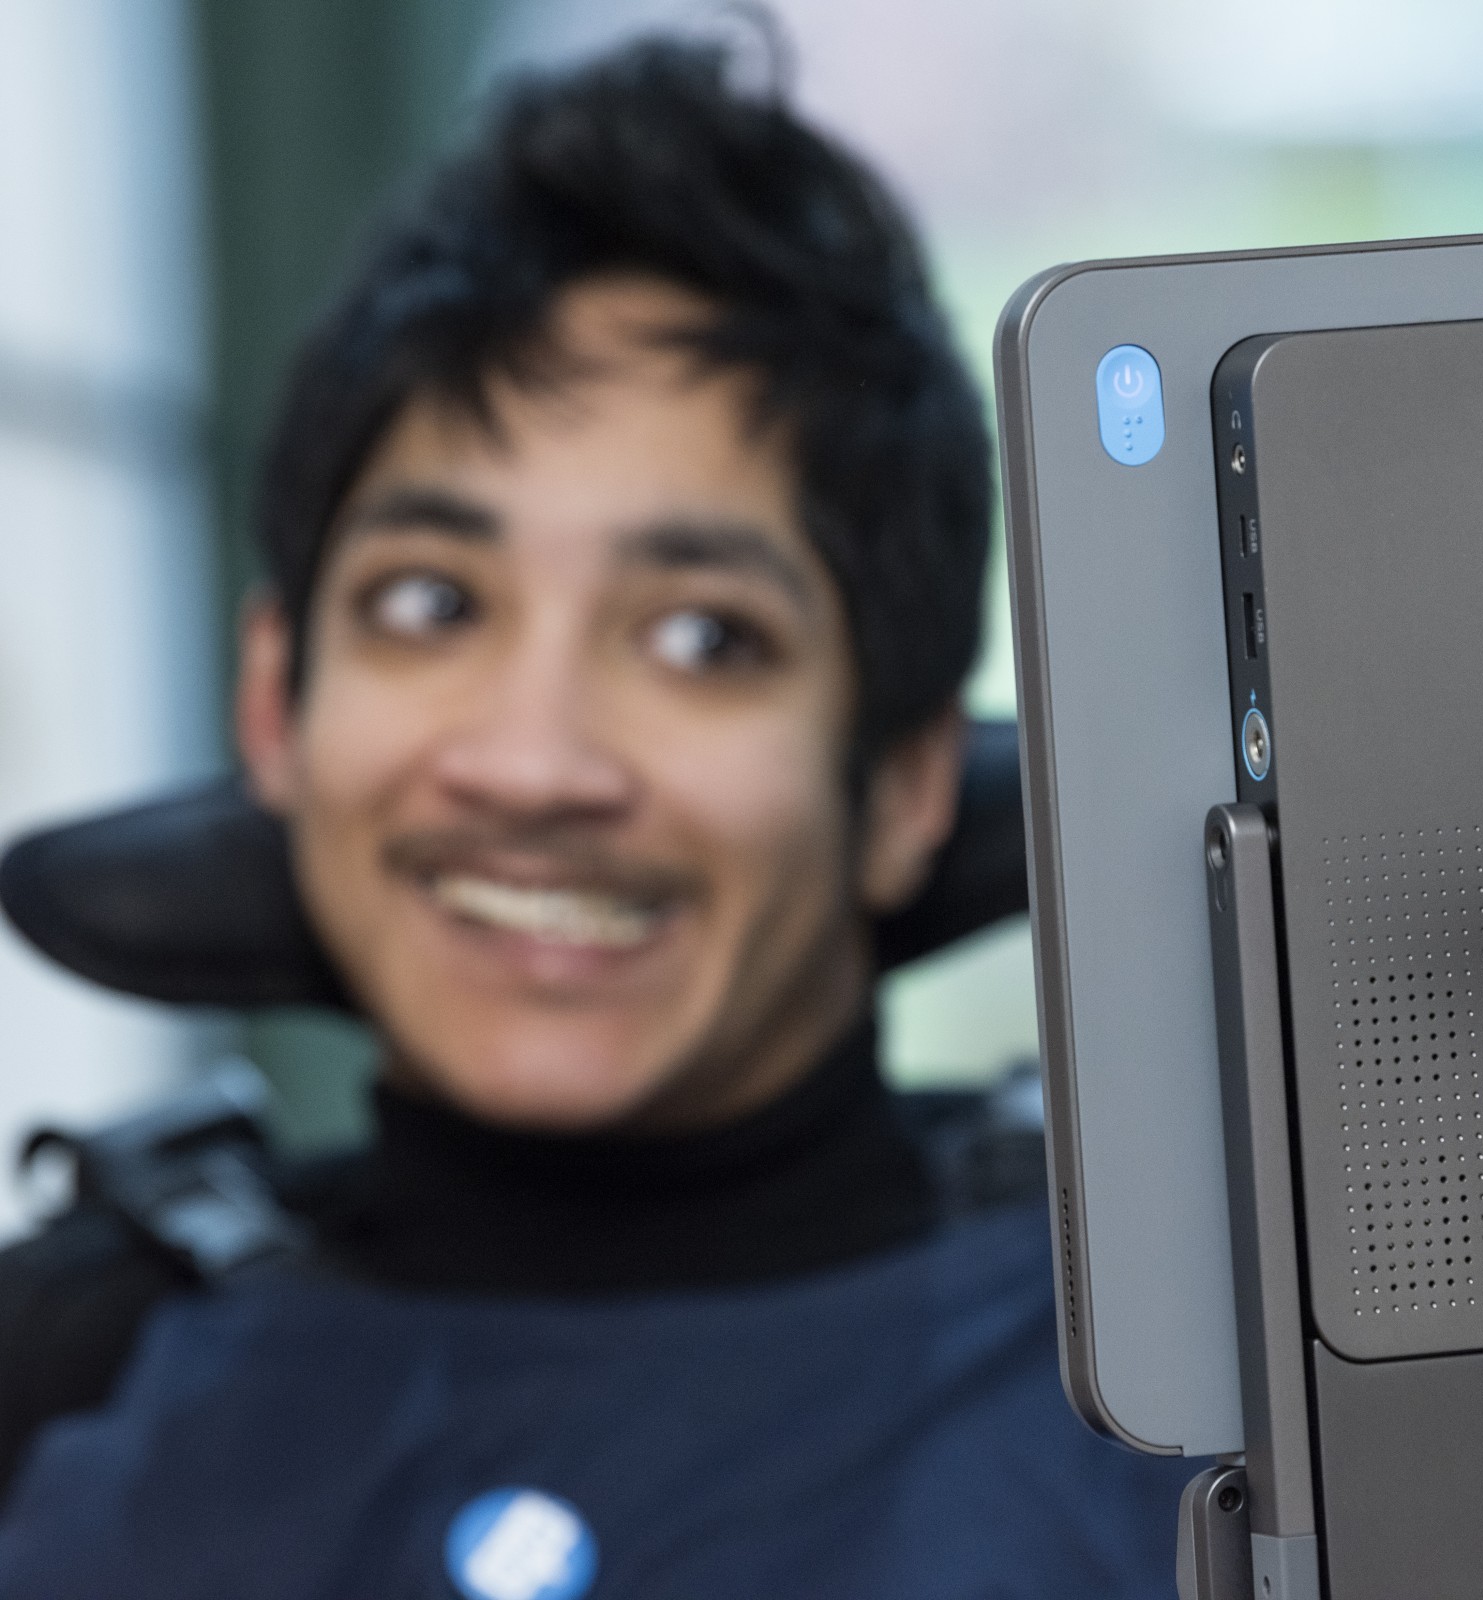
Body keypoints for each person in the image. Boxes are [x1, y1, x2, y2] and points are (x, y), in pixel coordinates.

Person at [0, 37, 1186, 1599]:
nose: (535, 764)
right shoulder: (72, 1376)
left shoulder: (1177, 1390)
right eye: (430, 604)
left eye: (703, 637)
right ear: (277, 704)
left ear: (903, 778)